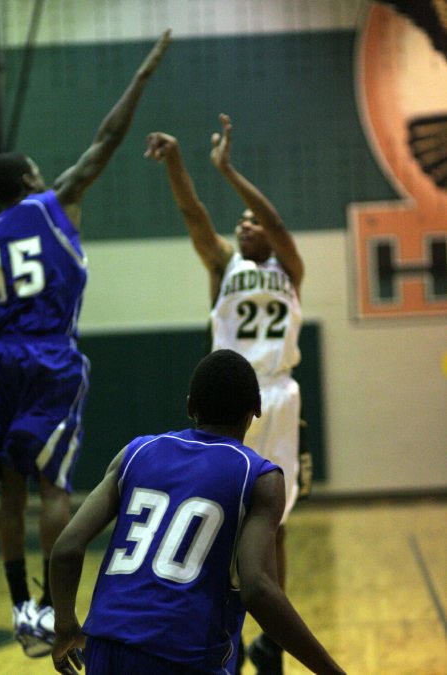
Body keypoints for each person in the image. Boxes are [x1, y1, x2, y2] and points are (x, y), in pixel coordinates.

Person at [0, 28, 171, 659]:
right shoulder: (52, 203)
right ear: (29, 178)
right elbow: (106, 139)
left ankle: (22, 606)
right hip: (49, 354)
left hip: (0, 358)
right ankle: (51, 608)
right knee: (53, 486)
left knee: (8, 488)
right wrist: (144, 74)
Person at [49, 349, 345, 675]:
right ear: (257, 408)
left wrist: (65, 627)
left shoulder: (135, 453)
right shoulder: (259, 477)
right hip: (183, 656)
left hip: (105, 648)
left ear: (190, 406)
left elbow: (66, 549)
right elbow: (259, 589)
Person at [146, 113, 305, 674]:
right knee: (226, 512)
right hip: (230, 392)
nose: (243, 224)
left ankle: (273, 642)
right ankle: (228, 633)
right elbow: (194, 213)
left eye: (250, 220)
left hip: (279, 396)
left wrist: (230, 170)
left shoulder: (290, 265)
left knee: (275, 518)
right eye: (238, 221)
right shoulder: (223, 262)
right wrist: (179, 162)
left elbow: (275, 218)